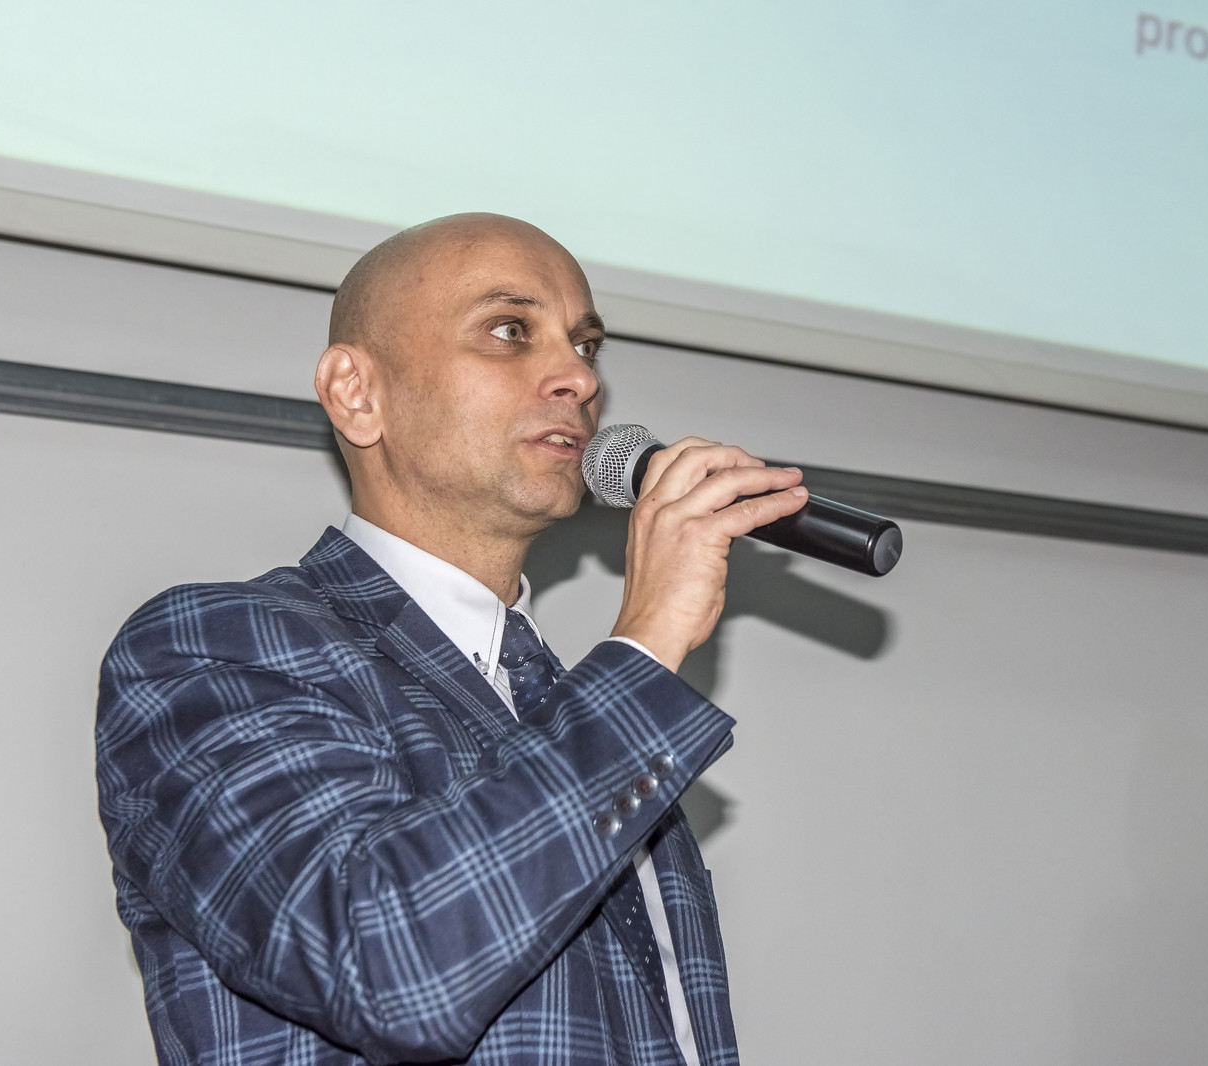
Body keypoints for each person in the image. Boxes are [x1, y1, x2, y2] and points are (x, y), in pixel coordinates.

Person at [95, 213, 809, 1066]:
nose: (580, 378)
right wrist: (648, 640)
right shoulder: (213, 647)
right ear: (357, 394)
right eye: (510, 331)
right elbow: (389, 970)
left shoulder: (569, 706)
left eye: (586, 345)